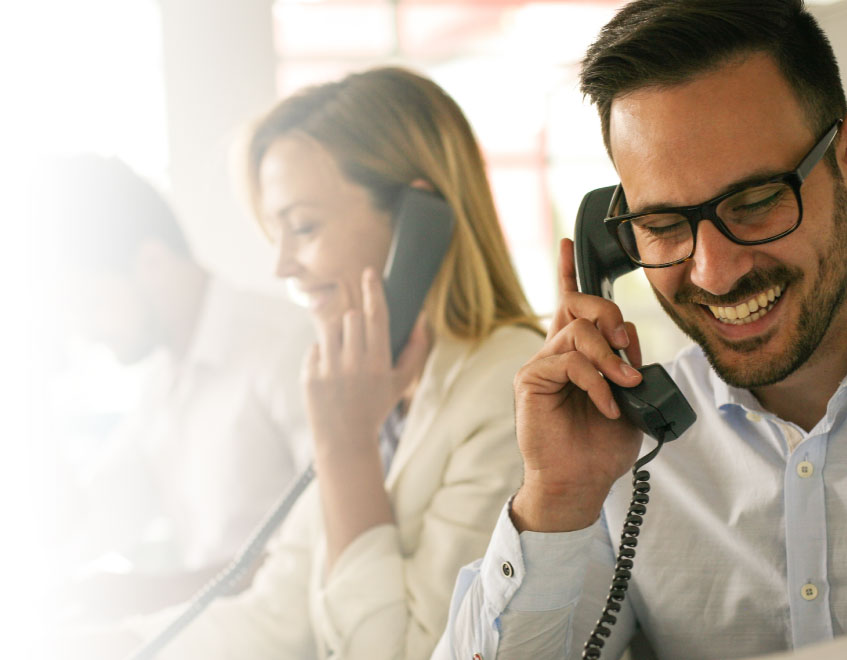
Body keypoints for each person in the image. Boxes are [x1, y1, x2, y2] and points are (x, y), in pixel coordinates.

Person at [435, 1, 847, 659]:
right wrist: (557, 499)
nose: (713, 273)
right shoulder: (621, 452)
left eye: (753, 203)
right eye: (662, 225)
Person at [109, 67, 543, 659]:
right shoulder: (379, 390)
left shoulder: (511, 392)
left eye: (304, 228)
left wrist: (346, 450)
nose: (282, 266)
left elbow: (404, 652)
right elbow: (274, 620)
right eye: (276, 235)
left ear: (420, 223)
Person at [45, 156, 313, 618]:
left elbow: (328, 546)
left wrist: (155, 594)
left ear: (151, 263)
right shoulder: (162, 381)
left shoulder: (285, 347)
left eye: (90, 305)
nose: (87, 333)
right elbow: (100, 510)